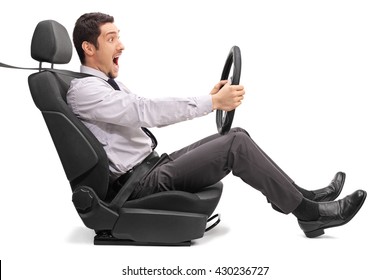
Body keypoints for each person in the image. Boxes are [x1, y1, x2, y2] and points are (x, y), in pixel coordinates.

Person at [67, 12, 367, 238]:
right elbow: (143, 111)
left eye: (118, 36)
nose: (121, 45)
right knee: (234, 146)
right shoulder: (86, 91)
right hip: (138, 185)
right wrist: (211, 104)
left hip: (151, 167)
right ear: (88, 48)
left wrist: (209, 98)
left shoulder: (102, 86)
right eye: (111, 39)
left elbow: (140, 106)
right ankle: (310, 214)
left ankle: (302, 196)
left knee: (237, 134)